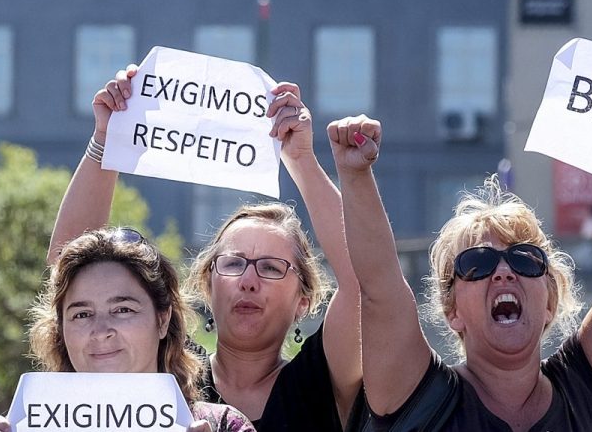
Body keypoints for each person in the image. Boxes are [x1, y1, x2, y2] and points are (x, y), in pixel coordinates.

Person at [332, 52, 592, 432]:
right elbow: (380, 286)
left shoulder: (584, 390)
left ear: (550, 301)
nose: (503, 271)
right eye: (478, 263)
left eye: (525, 259)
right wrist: (355, 174)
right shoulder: (418, 398)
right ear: (453, 311)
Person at [50, 64, 361, 431]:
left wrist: (301, 158)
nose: (248, 280)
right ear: (206, 285)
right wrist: (108, 139)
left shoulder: (321, 379)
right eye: (232, 264)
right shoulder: (168, 368)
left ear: (304, 301)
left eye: (271, 267)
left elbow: (366, 279)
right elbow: (71, 267)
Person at [0, 228, 252, 432]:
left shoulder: (224, 426)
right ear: (60, 330)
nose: (101, 330)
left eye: (123, 310)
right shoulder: (27, 425)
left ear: (162, 320)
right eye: (82, 314)